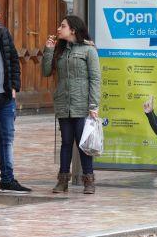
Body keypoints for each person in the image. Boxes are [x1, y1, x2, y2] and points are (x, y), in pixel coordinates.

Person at [43, 15, 100, 194]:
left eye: (63, 26)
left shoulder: (88, 50)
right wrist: (49, 49)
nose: (59, 29)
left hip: (82, 104)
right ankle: (62, 181)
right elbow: (46, 71)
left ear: (73, 30)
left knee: (83, 144)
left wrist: (93, 105)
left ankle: (89, 181)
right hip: (63, 103)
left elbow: (95, 78)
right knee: (66, 143)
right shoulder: (60, 50)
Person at [0, 0, 30, 194]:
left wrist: (14, 87)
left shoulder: (3, 33)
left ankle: (7, 179)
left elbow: (14, 60)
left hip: (5, 98)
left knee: (6, 139)